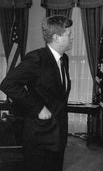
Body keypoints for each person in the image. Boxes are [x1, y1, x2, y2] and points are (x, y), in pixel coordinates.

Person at [0, 15, 73, 171]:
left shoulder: (63, 59)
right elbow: (8, 84)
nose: (72, 38)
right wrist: (38, 108)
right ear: (56, 38)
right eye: (68, 34)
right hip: (39, 136)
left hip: (58, 136)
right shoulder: (37, 58)